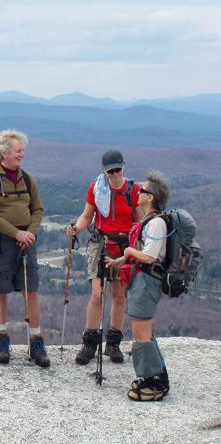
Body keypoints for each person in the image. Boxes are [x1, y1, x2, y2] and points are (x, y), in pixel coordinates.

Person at [0, 129, 50, 368]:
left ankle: (36, 341)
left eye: (22, 150)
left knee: (32, 290)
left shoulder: (27, 178)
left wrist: (30, 233)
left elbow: (38, 209)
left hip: (25, 241)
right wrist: (16, 233)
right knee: (0, 290)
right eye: (18, 150)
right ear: (4, 151)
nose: (22, 154)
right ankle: (1, 339)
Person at [67, 150, 142, 364]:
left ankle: (113, 343)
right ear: (105, 171)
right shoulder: (97, 189)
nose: (115, 175)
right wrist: (77, 229)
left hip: (124, 246)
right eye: (111, 171)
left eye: (118, 170)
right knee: (97, 294)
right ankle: (90, 342)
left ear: (124, 167)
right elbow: (86, 215)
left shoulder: (134, 190)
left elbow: (140, 221)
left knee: (119, 295)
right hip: (100, 242)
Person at [106, 170, 171, 401]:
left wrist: (128, 251)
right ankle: (156, 376)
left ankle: (153, 382)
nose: (138, 192)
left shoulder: (156, 224)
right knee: (145, 332)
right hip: (142, 280)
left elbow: (150, 256)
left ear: (150, 197)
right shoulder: (149, 221)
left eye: (142, 190)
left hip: (147, 281)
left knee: (141, 333)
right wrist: (121, 260)